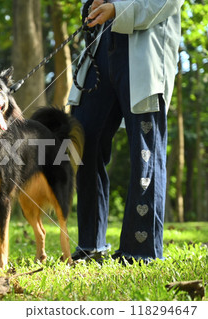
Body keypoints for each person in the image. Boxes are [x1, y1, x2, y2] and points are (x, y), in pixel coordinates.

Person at [67, 0, 184, 263]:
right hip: (101, 51)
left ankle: (139, 250)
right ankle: (91, 245)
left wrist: (117, 9)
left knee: (145, 151)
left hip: (145, 54)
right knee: (83, 139)